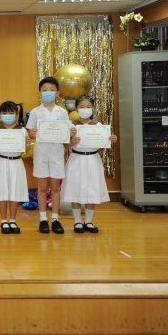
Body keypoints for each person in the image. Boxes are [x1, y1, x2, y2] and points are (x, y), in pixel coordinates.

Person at [26, 76, 75, 234]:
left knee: (55, 187)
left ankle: (55, 219)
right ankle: (43, 220)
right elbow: (30, 133)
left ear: (58, 93)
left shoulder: (62, 112)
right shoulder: (35, 112)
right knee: (42, 186)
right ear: (39, 93)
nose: (48, 92)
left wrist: (71, 132)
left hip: (57, 153)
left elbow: (66, 136)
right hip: (41, 153)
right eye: (44, 90)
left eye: (52, 90)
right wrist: (32, 134)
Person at [62, 95, 117, 234]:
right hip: (76, 159)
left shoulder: (98, 126)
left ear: (93, 108)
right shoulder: (71, 125)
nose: (85, 109)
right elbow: (65, 145)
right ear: (76, 109)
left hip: (93, 160)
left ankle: (88, 221)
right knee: (75, 189)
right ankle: (77, 221)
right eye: (81, 107)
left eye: (88, 107)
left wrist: (110, 139)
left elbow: (102, 144)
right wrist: (71, 142)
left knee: (91, 189)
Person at [0, 101, 31, 234]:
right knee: (3, 192)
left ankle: (12, 220)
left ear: (16, 114)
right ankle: (3, 221)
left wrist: (28, 144)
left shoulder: (22, 130)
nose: (8, 115)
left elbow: (26, 150)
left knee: (14, 192)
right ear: (0, 114)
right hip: (1, 162)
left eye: (11, 113)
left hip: (16, 162)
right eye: (4, 113)